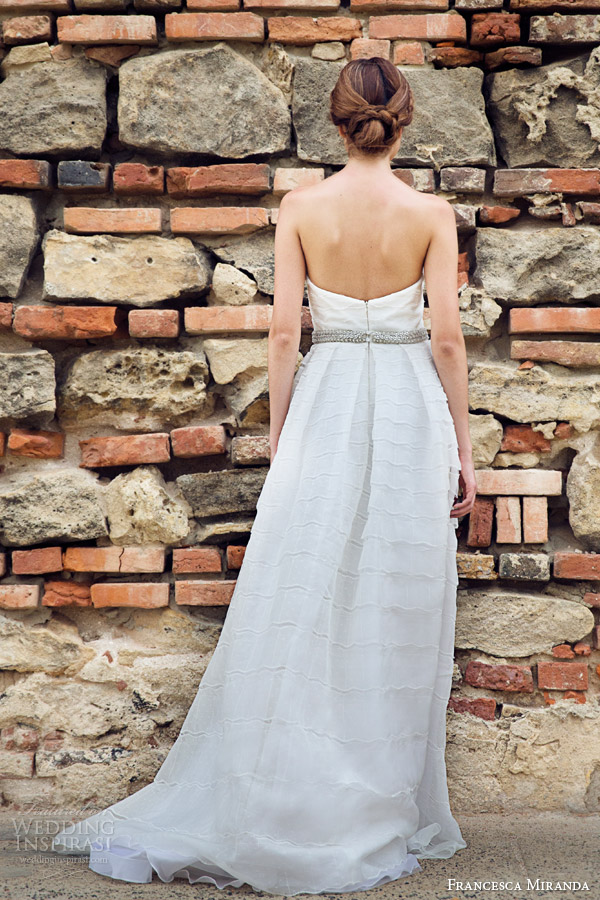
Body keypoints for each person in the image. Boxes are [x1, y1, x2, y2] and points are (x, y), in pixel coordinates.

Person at [52, 56, 476, 895]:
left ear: (336, 117)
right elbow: (450, 341)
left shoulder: (301, 208)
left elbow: (285, 334)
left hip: (324, 402)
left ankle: (288, 779)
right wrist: (464, 451)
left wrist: (282, 430)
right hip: (404, 411)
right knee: (394, 591)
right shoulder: (431, 214)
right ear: (407, 118)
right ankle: (371, 791)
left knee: (304, 587)